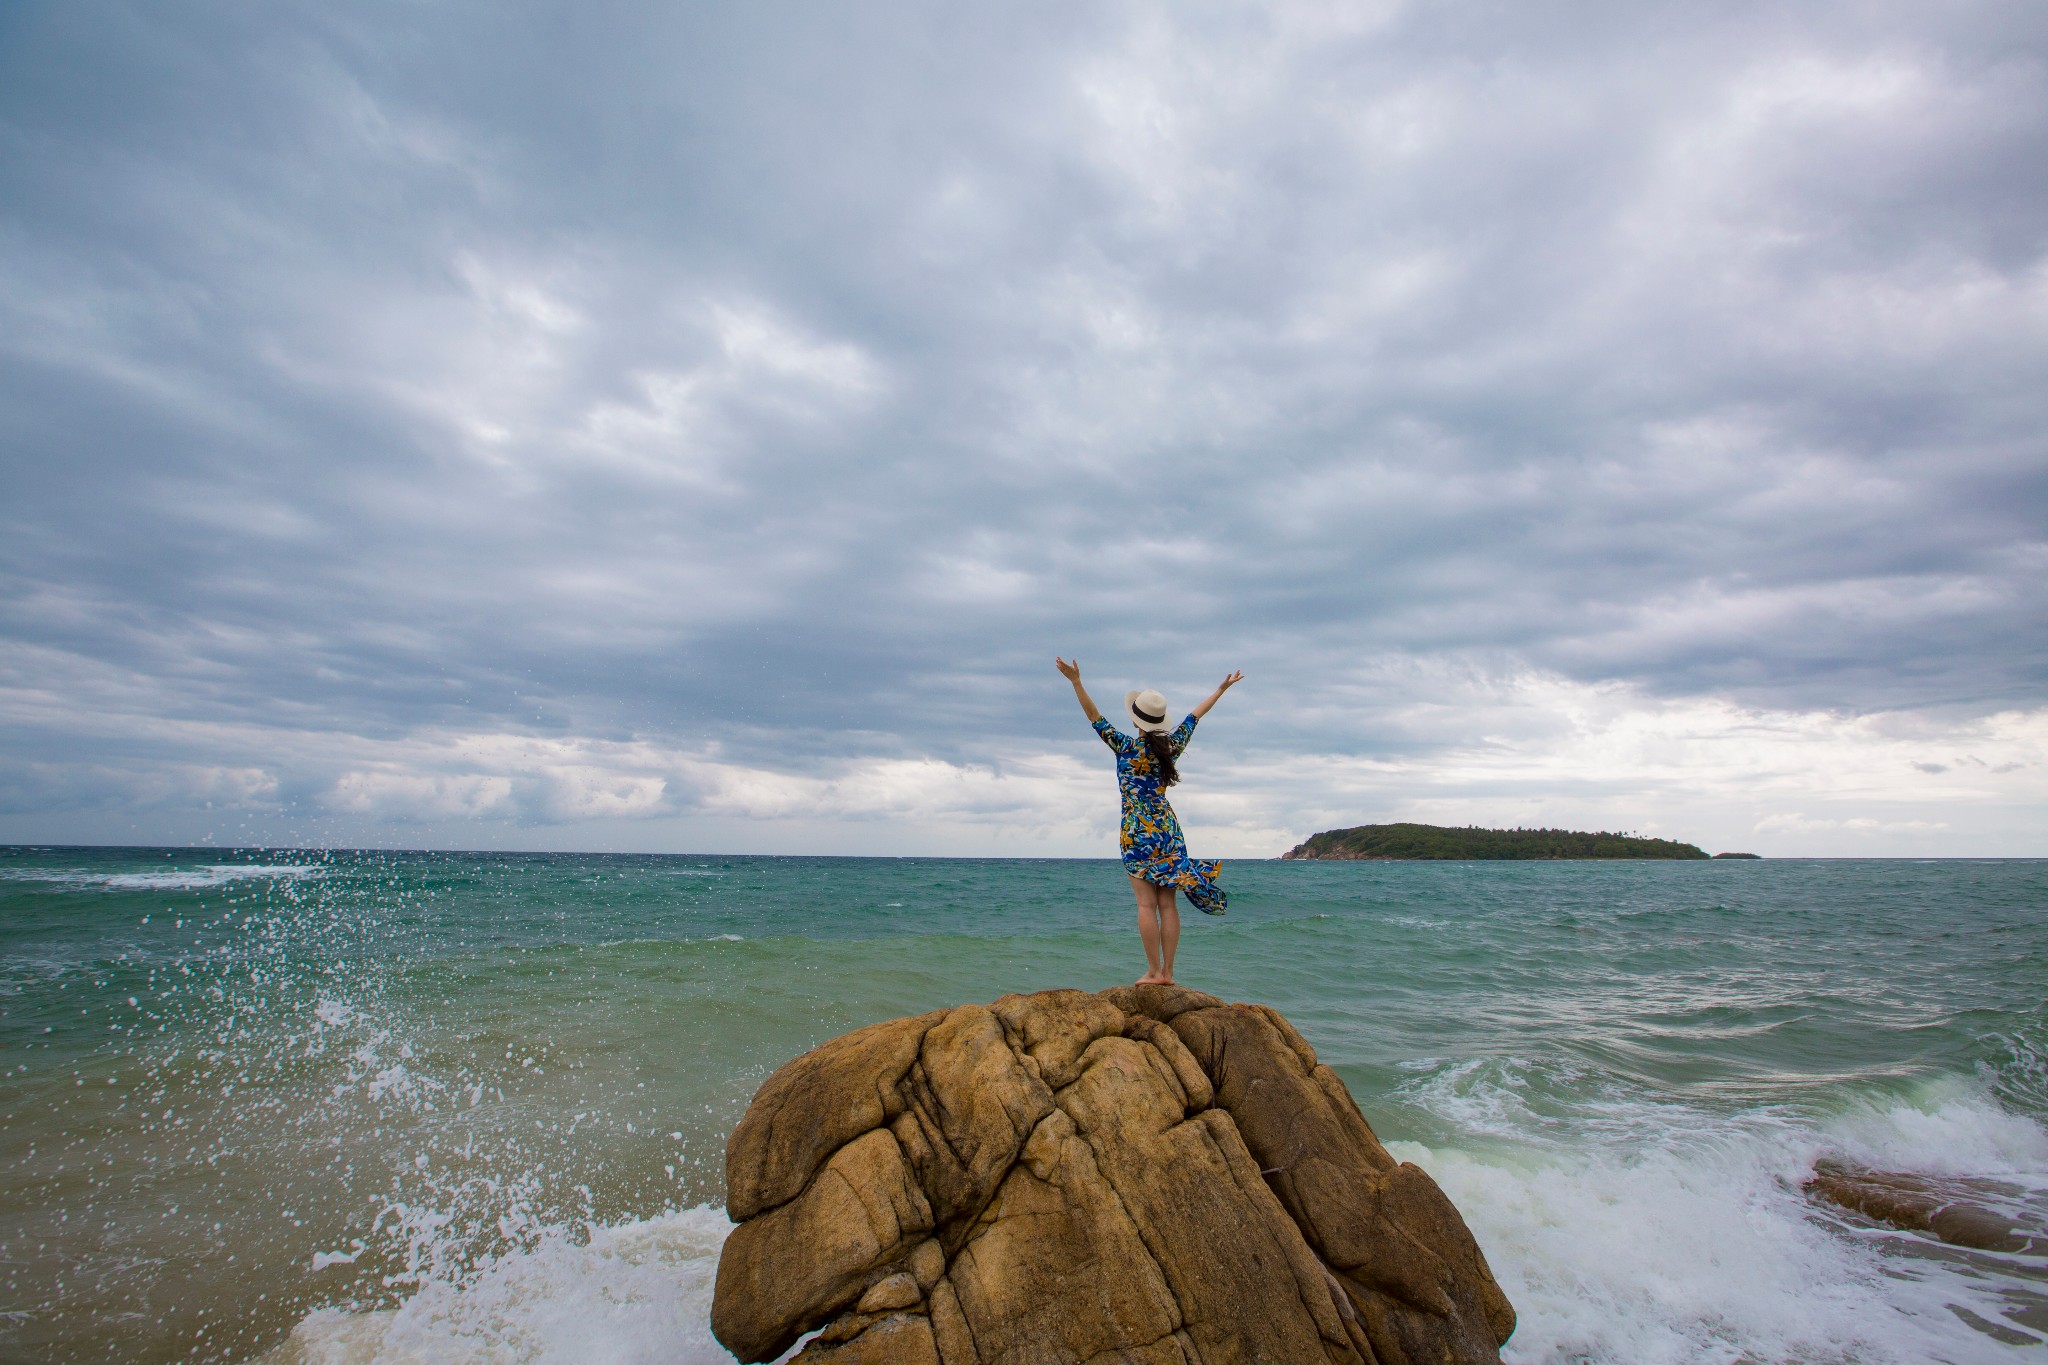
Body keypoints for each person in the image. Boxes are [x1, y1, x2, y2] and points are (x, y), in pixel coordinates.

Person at [1055, 658, 1244, 985]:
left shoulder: (1125, 746)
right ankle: (1168, 974)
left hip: (1136, 833)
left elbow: (1093, 716)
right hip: (1168, 832)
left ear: (1136, 718)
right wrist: (1221, 689)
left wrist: (1076, 682)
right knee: (1167, 905)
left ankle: (1153, 971)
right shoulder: (1171, 746)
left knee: (1146, 904)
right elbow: (1195, 716)